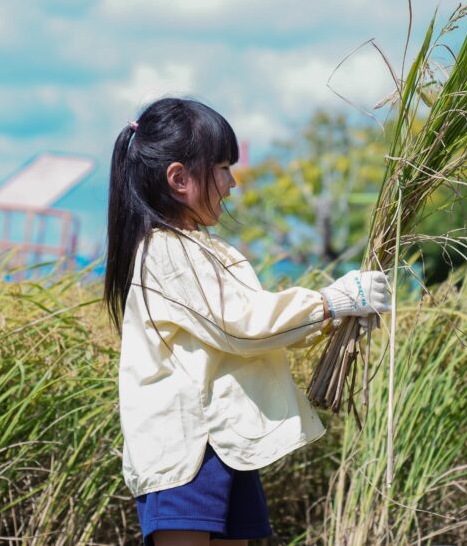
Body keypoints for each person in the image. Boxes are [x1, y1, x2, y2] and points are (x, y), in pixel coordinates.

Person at [104, 97, 391, 545]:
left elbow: (258, 328)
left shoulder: (204, 248)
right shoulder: (167, 250)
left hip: (225, 445)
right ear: (179, 178)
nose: (232, 182)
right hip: (187, 451)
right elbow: (240, 327)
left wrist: (340, 313)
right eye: (221, 168)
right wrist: (329, 303)